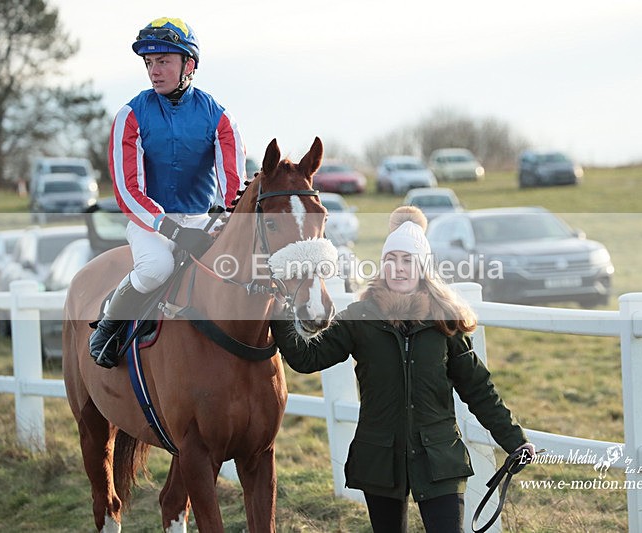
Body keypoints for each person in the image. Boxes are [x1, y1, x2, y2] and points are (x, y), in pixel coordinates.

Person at [271, 206, 535, 532]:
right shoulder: (360, 318)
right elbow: (307, 359)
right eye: (391, 259)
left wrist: (514, 439)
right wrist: (279, 310)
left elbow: (478, 388)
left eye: (407, 260)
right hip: (380, 461)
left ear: (422, 267)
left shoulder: (444, 322)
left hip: (439, 458)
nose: (398, 268)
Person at [89, 17, 247, 368]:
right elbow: (128, 192)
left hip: (200, 218)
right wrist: (171, 229)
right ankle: (109, 325)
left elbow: (234, 188)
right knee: (157, 268)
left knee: (238, 268)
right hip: (148, 222)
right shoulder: (130, 115)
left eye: (163, 61)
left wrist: (223, 223)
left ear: (188, 65)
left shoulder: (220, 118)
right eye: (149, 62)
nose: (154, 71)